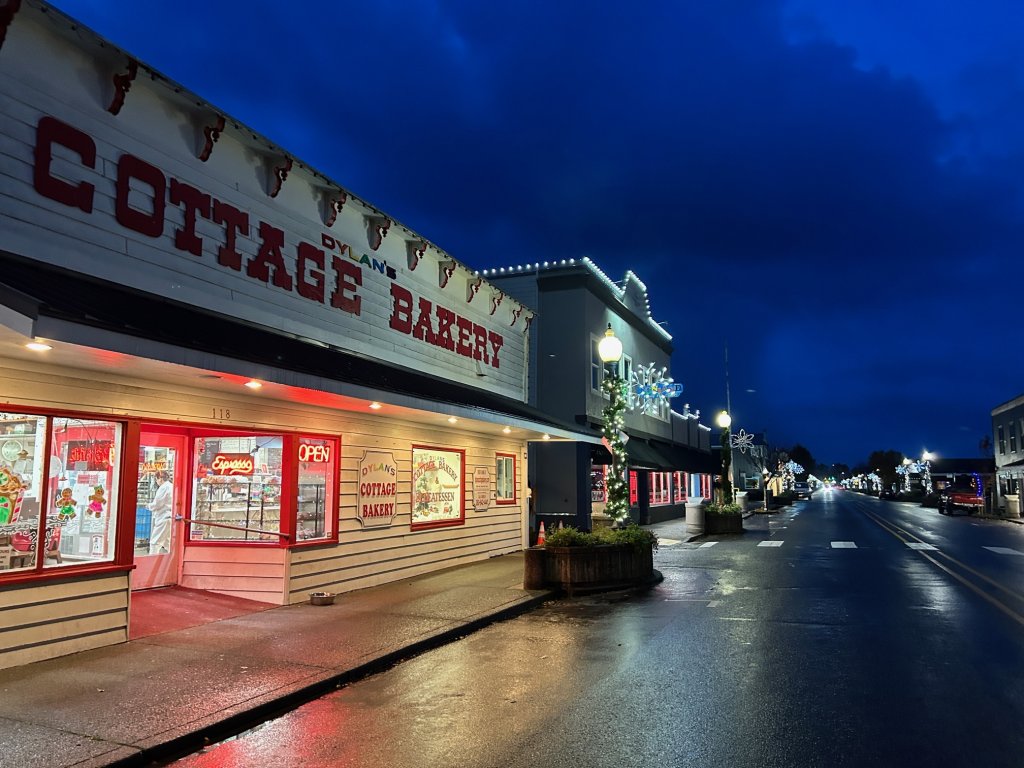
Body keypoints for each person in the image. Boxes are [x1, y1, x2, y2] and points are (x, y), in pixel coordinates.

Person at [148, 470, 173, 555]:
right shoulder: (171, 486)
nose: (156, 481)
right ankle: (172, 559)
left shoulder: (163, 488)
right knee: (167, 543)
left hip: (163, 517)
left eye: (156, 479)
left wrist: (148, 506)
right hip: (169, 517)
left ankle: (151, 562)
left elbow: (158, 503)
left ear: (160, 479)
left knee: (155, 542)